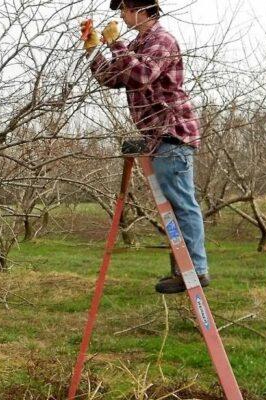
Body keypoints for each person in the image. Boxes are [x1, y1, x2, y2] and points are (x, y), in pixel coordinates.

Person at [83, 0, 209, 294]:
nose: (121, 16)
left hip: (172, 132)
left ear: (141, 10)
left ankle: (196, 271)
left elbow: (141, 76)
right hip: (156, 136)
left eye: (124, 10)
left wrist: (116, 46)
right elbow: (112, 77)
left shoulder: (161, 40)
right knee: (174, 207)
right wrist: (93, 50)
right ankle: (183, 269)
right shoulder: (138, 43)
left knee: (182, 203)